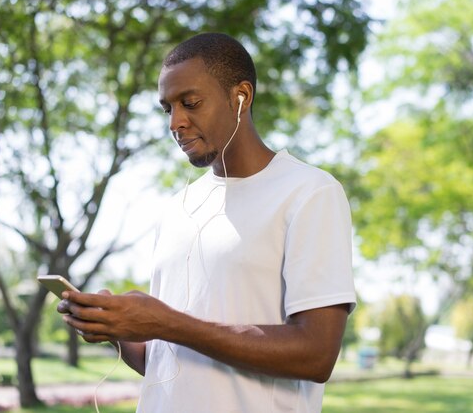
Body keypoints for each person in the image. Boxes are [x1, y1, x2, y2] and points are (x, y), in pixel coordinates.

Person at [58, 32, 356, 413]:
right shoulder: (179, 206)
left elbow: (317, 355)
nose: (176, 123)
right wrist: (117, 329)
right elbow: (167, 362)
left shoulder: (309, 193)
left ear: (241, 97)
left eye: (191, 103)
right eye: (167, 108)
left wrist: (165, 322)